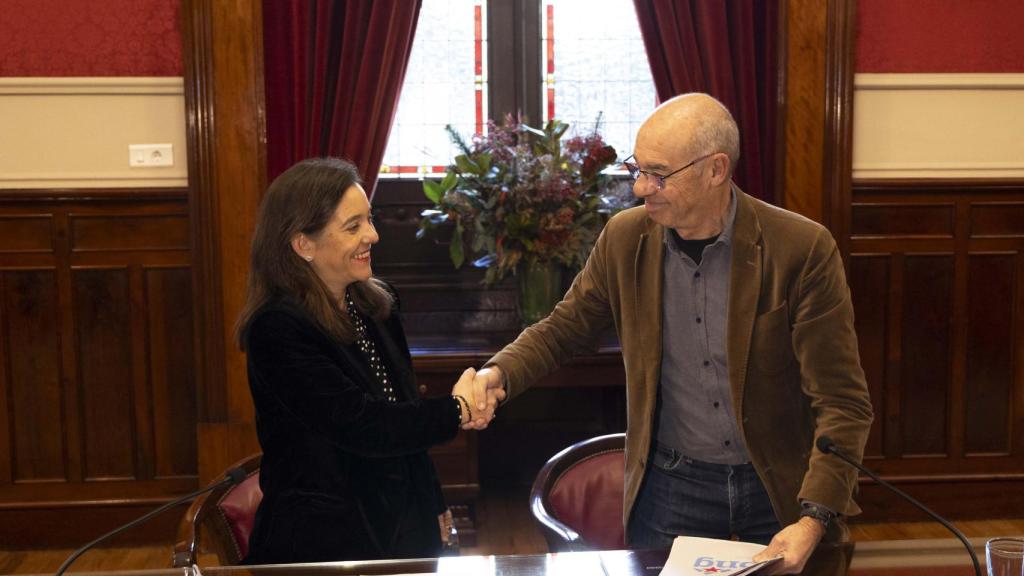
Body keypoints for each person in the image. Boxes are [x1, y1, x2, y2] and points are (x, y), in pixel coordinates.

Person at [469, 94, 873, 574]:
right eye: (636, 169)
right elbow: (563, 328)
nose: (641, 187)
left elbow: (843, 402)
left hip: (781, 485)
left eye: (659, 174)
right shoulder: (624, 240)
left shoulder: (801, 249)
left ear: (716, 169)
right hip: (672, 486)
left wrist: (815, 518)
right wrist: (499, 373)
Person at [235, 158, 499, 564]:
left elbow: (404, 420)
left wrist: (436, 512)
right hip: (323, 546)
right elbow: (364, 426)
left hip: (402, 526)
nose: (372, 236)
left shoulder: (377, 303)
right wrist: (458, 409)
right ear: (303, 243)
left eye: (369, 220)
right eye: (353, 226)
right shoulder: (277, 328)